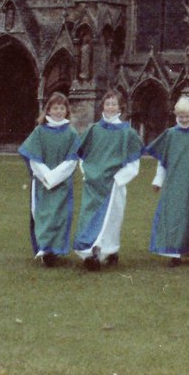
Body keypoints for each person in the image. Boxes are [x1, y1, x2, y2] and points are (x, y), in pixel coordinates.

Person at [74, 89, 143, 271]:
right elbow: (82, 155)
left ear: (121, 107)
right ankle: (90, 254)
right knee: (88, 218)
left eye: (114, 104)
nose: (110, 107)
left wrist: (119, 179)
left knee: (111, 219)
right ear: (102, 106)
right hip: (93, 183)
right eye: (107, 103)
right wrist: (86, 172)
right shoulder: (94, 130)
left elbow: (134, 162)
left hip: (113, 185)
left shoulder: (127, 133)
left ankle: (109, 251)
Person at [146, 96, 189, 267]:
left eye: (187, 116)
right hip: (174, 182)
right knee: (174, 216)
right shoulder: (170, 134)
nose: (184, 120)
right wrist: (158, 180)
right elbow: (163, 160)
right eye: (181, 116)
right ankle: (174, 252)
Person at [18, 92, 79, 266]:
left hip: (62, 182)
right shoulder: (39, 132)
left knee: (59, 215)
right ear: (48, 111)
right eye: (55, 108)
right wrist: (46, 177)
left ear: (66, 110)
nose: (59, 111)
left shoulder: (71, 133)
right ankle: (46, 250)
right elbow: (33, 157)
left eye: (62, 108)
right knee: (43, 215)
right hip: (42, 183)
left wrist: (55, 177)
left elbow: (71, 161)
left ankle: (55, 249)